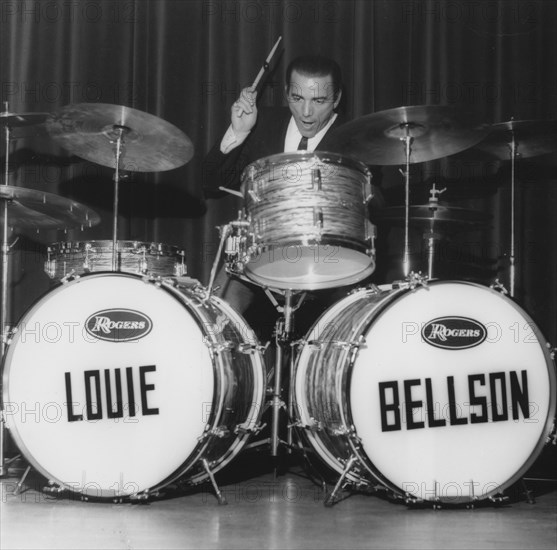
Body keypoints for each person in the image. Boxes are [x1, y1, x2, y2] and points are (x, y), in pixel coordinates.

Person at [202, 54, 381, 340]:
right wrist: (238, 131)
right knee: (216, 316)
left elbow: (377, 207)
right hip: (259, 257)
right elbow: (211, 183)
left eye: (319, 101)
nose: (306, 112)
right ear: (286, 93)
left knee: (350, 328)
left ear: (336, 99)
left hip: (329, 262)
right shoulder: (262, 122)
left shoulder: (357, 139)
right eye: (297, 98)